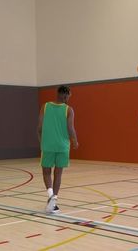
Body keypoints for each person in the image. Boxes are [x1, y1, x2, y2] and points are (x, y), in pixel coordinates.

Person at [37, 85, 78, 214]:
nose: (69, 98)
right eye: (69, 96)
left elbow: (39, 127)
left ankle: (50, 196)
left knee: (46, 172)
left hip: (48, 145)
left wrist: (41, 142)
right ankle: (54, 201)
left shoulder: (45, 106)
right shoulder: (69, 110)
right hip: (63, 146)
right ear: (65, 95)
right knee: (58, 174)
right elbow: (70, 128)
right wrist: (75, 141)